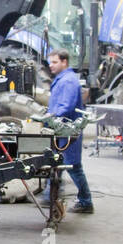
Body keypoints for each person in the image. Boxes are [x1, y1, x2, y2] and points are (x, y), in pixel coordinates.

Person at [45, 49, 93, 214]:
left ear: (64, 62)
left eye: (55, 62)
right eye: (50, 62)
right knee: (56, 162)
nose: (51, 65)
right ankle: (48, 195)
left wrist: (48, 118)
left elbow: (65, 106)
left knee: (73, 165)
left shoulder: (68, 81)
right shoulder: (63, 79)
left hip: (67, 131)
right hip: (61, 131)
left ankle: (86, 201)